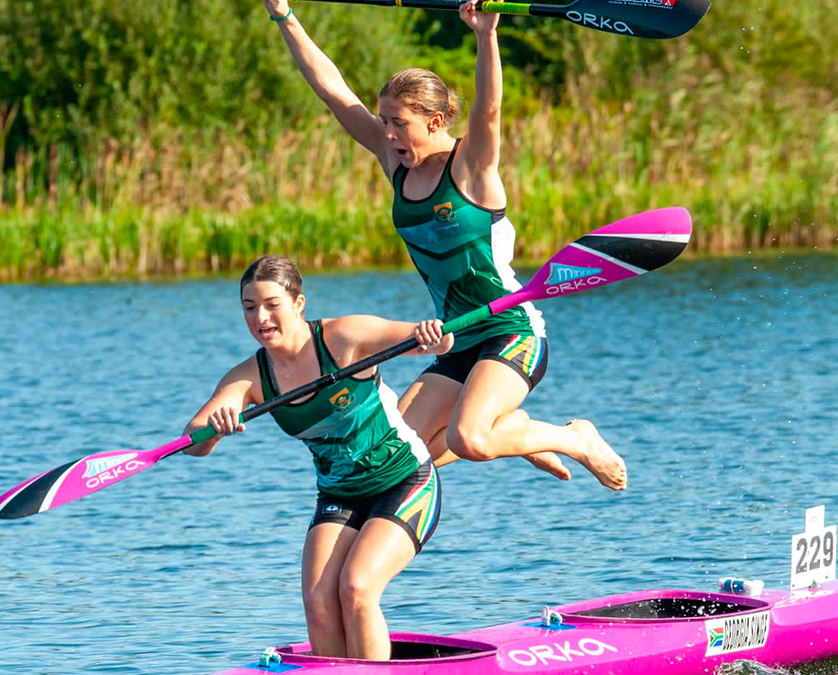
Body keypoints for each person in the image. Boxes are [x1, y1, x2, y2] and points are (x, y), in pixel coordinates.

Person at [261, 0, 626, 491]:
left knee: (471, 439)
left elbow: (488, 109)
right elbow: (333, 92)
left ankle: (569, 437)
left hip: (509, 330)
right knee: (394, 457)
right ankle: (516, 433)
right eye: (384, 122)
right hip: (457, 338)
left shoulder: (471, 166)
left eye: (399, 123)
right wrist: (284, 15)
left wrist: (485, 34)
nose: (388, 134)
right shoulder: (395, 163)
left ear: (435, 121)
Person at [183, 255, 452, 660]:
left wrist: (432, 333)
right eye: (249, 308)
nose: (261, 318)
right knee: (319, 604)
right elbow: (193, 441)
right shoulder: (250, 377)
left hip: (405, 481)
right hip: (339, 495)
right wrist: (213, 428)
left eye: (272, 304)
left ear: (298, 304)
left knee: (356, 588)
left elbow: (441, 341)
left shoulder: (343, 337)